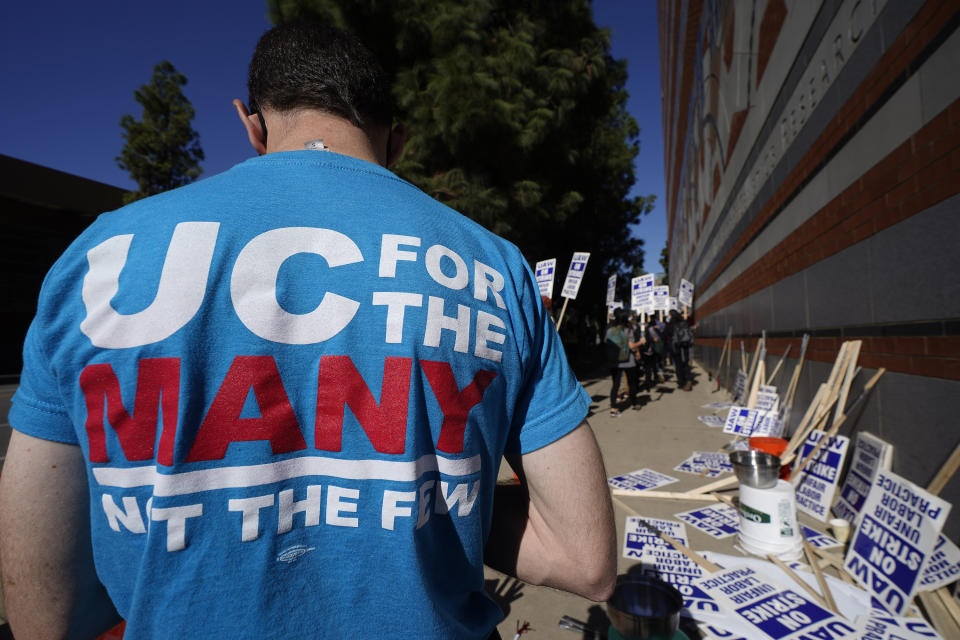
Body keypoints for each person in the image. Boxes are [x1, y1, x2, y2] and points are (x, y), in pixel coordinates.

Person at [0, 22, 616, 640]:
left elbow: (45, 612)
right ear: (396, 141)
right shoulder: (494, 269)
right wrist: (438, 508)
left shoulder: (99, 258)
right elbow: (583, 558)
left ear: (252, 124)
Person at [604, 309, 639, 416]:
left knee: (615, 385)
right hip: (629, 361)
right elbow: (631, 346)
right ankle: (633, 403)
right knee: (632, 383)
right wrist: (641, 342)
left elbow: (606, 342)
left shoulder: (610, 330)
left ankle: (613, 407)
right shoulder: (628, 330)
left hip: (615, 361)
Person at [670, 309, 694, 391]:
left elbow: (674, 338)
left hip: (678, 348)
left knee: (679, 365)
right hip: (686, 347)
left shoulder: (674, 325)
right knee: (686, 364)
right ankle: (688, 380)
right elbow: (691, 337)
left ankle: (683, 382)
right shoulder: (685, 323)